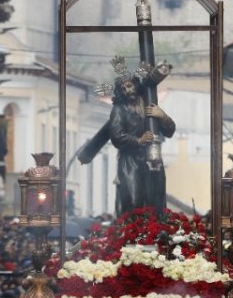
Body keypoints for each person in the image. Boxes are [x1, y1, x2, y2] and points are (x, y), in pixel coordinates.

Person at [75, 74, 176, 216]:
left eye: (129, 86)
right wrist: (138, 140)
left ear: (136, 85)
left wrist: (162, 116)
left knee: (156, 201)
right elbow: (116, 136)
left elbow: (170, 131)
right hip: (130, 162)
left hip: (152, 159)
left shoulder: (149, 103)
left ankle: (154, 232)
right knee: (133, 200)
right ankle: (132, 232)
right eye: (123, 89)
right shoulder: (119, 110)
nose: (127, 90)